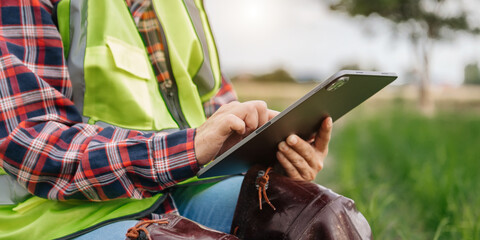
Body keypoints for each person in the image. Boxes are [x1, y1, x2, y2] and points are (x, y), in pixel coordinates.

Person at [0, 0, 332, 239]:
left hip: (178, 190)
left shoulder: (185, 6)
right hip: (58, 215)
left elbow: (217, 106)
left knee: (319, 215)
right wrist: (191, 147)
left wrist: (274, 153)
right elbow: (32, 142)